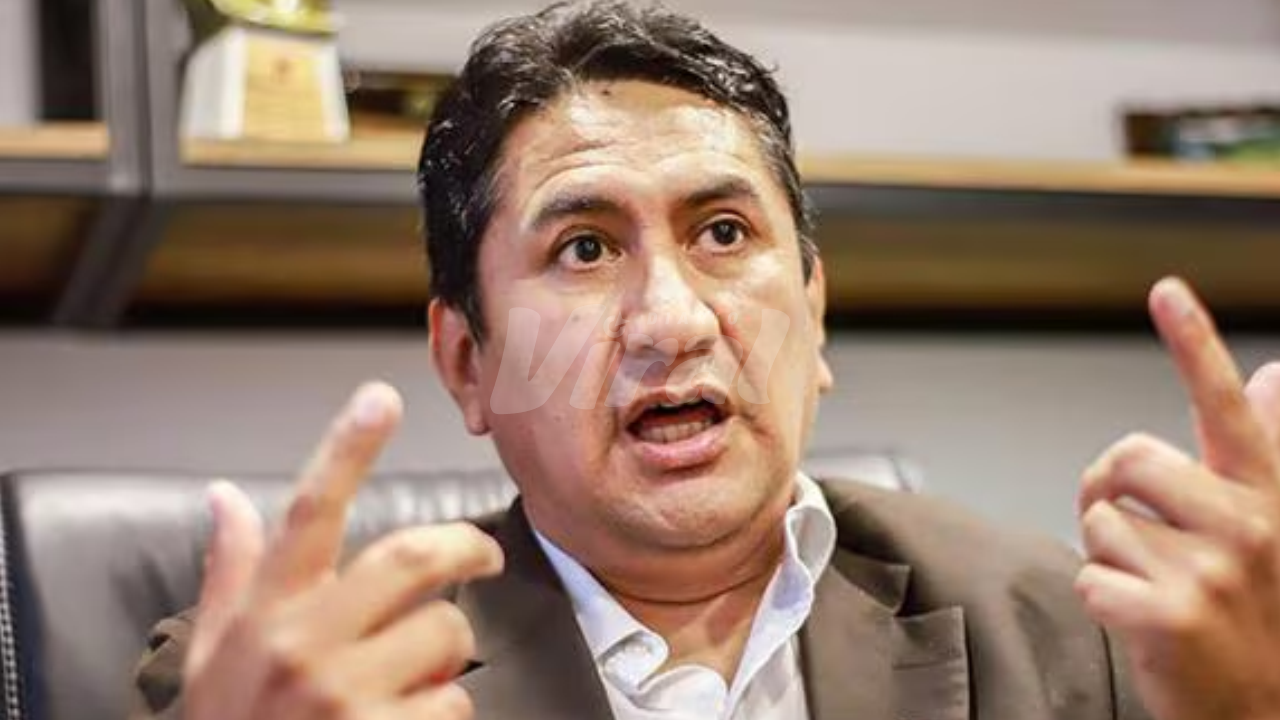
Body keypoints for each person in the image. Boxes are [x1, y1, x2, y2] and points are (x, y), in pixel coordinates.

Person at [131, 2, 1280, 719]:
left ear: (813, 312)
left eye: (722, 233)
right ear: (468, 362)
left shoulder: (1075, 641)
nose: (671, 320)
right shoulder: (284, 685)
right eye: (584, 249)